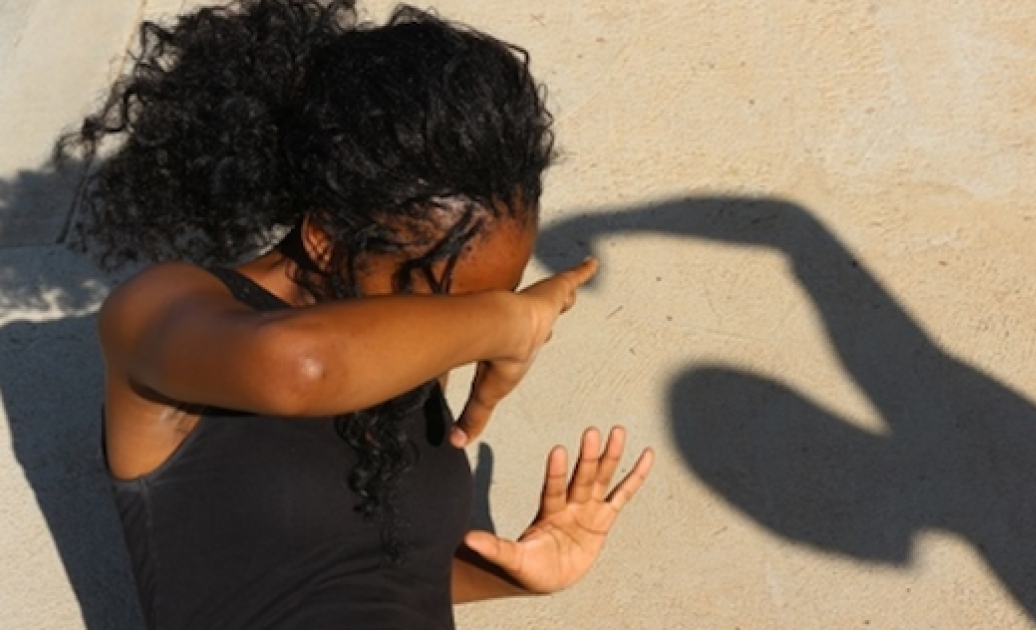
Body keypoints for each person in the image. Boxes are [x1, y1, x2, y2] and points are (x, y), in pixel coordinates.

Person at [56, 1, 654, 628]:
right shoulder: (161, 308)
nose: (471, 328)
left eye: (500, 293)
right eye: (458, 303)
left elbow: (349, 579)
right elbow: (303, 368)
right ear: (324, 239)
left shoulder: (407, 356)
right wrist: (513, 322)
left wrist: (516, 572)